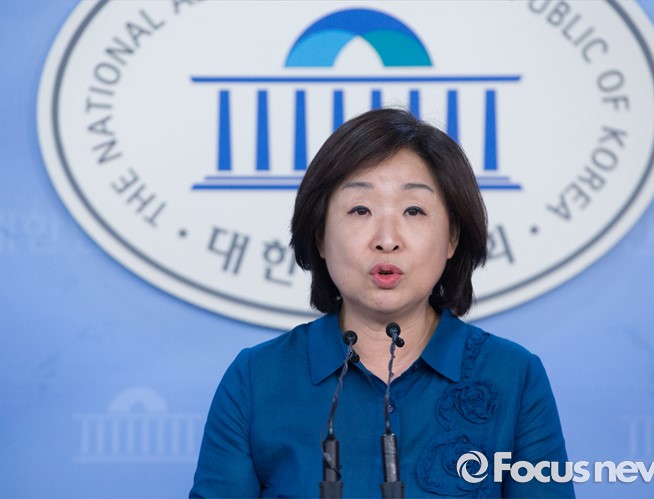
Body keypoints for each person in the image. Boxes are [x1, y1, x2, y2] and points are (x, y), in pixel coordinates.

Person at [190, 108, 574, 498]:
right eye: (360, 210)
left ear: (452, 237)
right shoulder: (257, 379)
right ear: (320, 235)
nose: (387, 239)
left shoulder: (514, 376)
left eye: (413, 210)